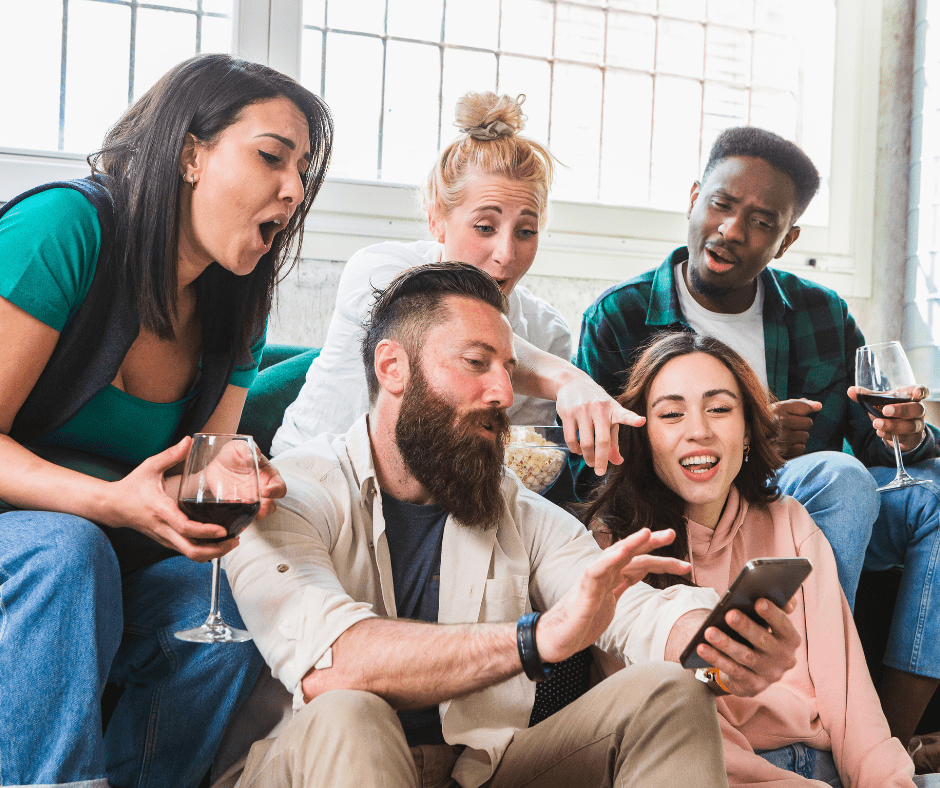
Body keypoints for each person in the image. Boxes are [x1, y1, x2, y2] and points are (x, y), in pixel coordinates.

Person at [223, 262, 803, 788]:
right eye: (476, 364)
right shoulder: (288, 492)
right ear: (392, 366)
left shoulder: (518, 511)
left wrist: (716, 640)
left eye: (507, 369)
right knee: (351, 708)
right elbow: (334, 665)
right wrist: (535, 639)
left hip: (477, 770)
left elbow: (629, 610)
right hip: (315, 761)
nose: (503, 393)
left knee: (673, 695)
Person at [0, 54, 331, 787]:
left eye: (302, 171)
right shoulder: (64, 228)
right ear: (190, 154)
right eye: (272, 156)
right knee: (67, 551)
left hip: (110, 549)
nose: (294, 188)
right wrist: (109, 501)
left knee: (226, 605)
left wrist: (236, 470)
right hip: (43, 545)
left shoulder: (238, 299)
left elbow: (201, 461)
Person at [573, 126, 940, 749]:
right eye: (720, 204)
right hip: (699, 507)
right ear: (694, 197)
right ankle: (811, 692)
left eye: (762, 220)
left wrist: (908, 432)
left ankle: (888, 737)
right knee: (840, 476)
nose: (732, 230)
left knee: (927, 492)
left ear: (787, 237)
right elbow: (593, 471)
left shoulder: (822, 313)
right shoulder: (622, 316)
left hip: (808, 508)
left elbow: (881, 447)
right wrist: (737, 436)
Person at [578, 331, 926, 788]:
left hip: (824, 764)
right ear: (644, 437)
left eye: (719, 408)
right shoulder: (614, 544)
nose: (698, 429)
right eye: (671, 414)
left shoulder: (789, 519)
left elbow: (848, 694)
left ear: (747, 431)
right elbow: (676, 736)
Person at [272, 91, 637, 478]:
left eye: (526, 231)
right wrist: (566, 377)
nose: (506, 254)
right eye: (484, 227)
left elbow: (520, 465)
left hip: (435, 513)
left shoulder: (546, 331)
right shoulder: (379, 270)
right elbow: (444, 326)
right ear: (437, 221)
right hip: (311, 481)